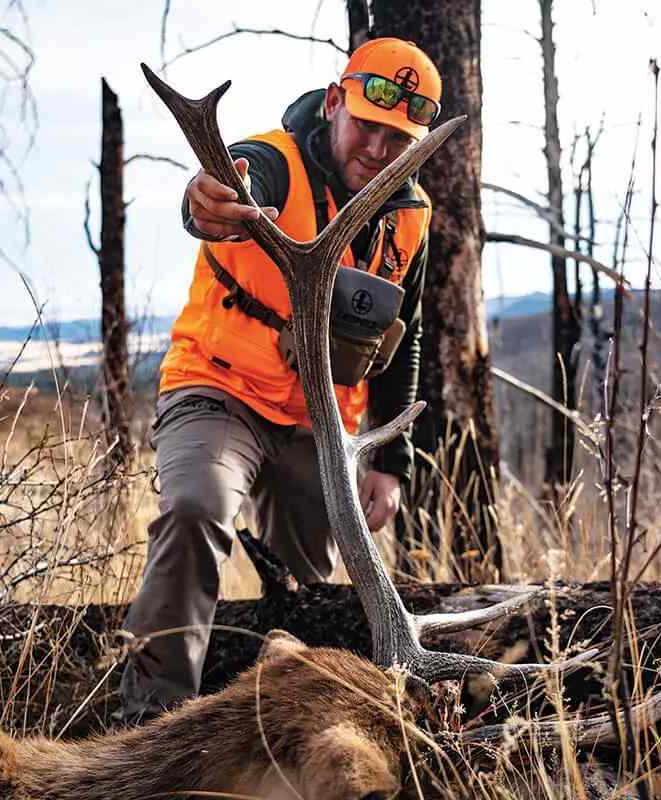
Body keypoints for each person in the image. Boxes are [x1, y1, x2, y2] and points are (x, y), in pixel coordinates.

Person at [119, 37, 443, 721]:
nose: (379, 151)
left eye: (399, 138)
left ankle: (278, 722)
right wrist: (208, 200)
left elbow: (400, 339)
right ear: (334, 104)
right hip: (219, 391)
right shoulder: (274, 159)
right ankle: (149, 717)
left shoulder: (412, 216)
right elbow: (223, 188)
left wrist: (391, 461)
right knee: (196, 509)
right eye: (367, 127)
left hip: (315, 422)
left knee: (304, 587)